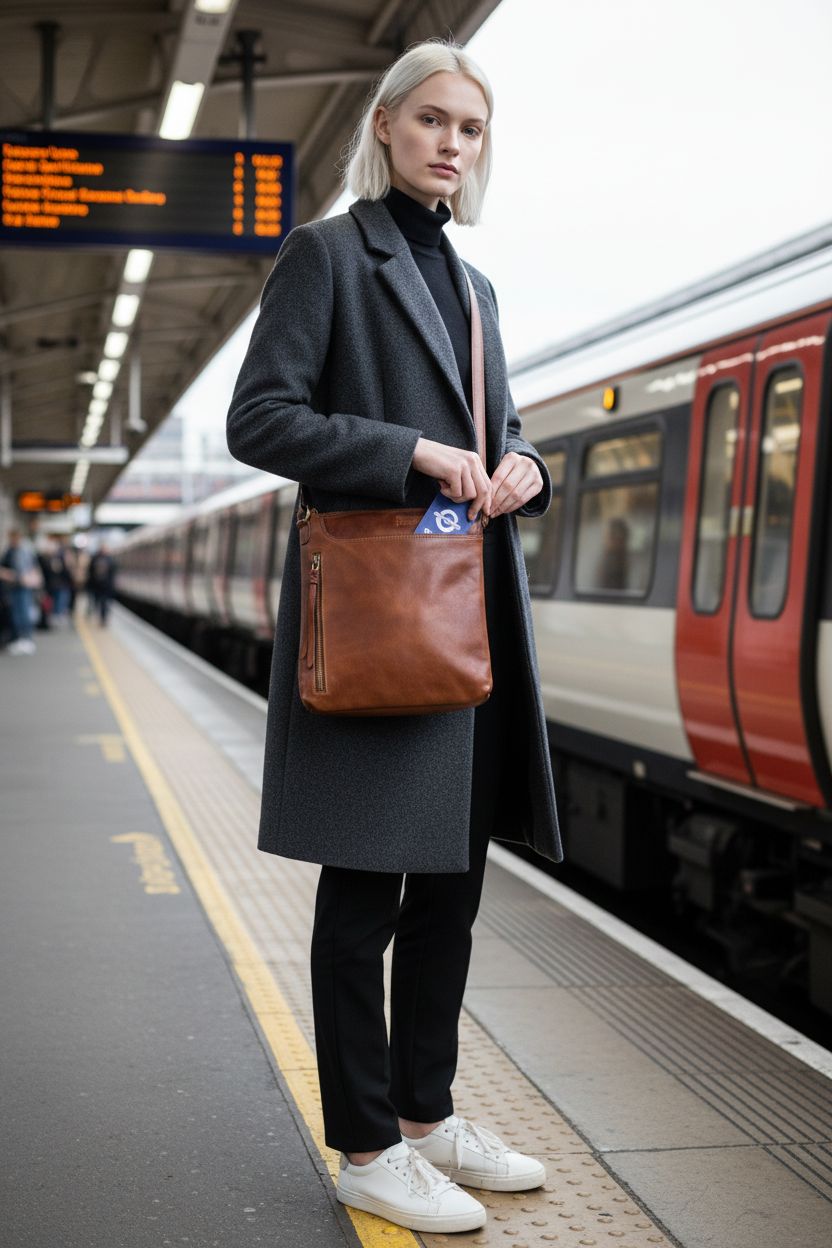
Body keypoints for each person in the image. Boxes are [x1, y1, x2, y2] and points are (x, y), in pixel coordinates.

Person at [226, 38, 563, 1235]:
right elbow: (259, 419)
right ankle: (367, 1146)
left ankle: (427, 1117)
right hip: (381, 613)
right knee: (365, 895)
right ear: (382, 125)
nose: (450, 143)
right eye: (430, 120)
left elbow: (503, 429)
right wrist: (407, 452)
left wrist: (525, 466)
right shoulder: (326, 254)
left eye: (469, 128)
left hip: (469, 620)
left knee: (450, 895)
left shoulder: (475, 289)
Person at [0, 528, 42, 654]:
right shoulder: (11, 551)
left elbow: (25, 572)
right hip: (14, 587)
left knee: (22, 613)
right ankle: (20, 639)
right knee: (17, 614)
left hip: (21, 587)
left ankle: (25, 639)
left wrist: (8, 574)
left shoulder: (22, 552)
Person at [85, 543, 117, 625]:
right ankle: (95, 616)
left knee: (104, 604)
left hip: (106, 587)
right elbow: (90, 571)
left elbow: (113, 573)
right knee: (95, 602)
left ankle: (103, 619)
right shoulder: (96, 559)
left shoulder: (110, 560)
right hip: (96, 586)